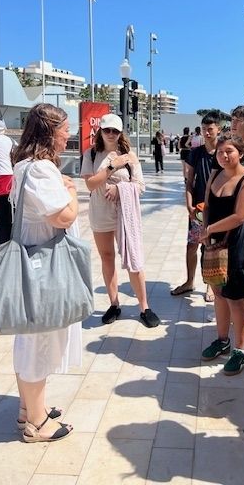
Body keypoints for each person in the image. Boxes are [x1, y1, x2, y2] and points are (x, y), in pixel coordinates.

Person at [10, 103, 80, 443]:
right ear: (49, 132)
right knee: (41, 342)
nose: (69, 135)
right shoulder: (39, 170)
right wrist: (71, 192)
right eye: (65, 129)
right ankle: (36, 424)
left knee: (31, 340)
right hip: (43, 268)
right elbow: (62, 217)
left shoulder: (25, 166)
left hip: (32, 263)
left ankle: (29, 408)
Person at [200, 135, 244, 375]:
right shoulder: (215, 174)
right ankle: (222, 339)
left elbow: (240, 216)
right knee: (219, 291)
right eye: (220, 152)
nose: (224, 156)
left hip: (239, 242)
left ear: (241, 153)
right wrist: (206, 230)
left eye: (229, 151)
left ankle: (240, 350)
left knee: (237, 297)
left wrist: (210, 229)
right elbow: (208, 205)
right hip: (215, 240)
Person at [81, 113, 160, 328]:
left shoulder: (129, 155)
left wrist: (119, 189)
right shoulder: (91, 154)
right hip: (100, 213)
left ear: (120, 133)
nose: (111, 134)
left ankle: (144, 307)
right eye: (107, 130)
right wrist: (112, 166)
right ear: (100, 131)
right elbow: (90, 185)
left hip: (125, 215)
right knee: (107, 258)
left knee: (133, 257)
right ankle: (114, 304)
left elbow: (140, 186)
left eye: (115, 131)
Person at [170, 112, 221, 297]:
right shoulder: (195, 153)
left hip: (217, 210)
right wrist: (189, 205)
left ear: (218, 129)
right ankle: (189, 282)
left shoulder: (223, 152)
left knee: (211, 247)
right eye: (204, 129)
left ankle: (210, 285)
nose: (207, 133)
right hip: (198, 209)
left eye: (210, 129)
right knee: (192, 246)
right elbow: (189, 181)